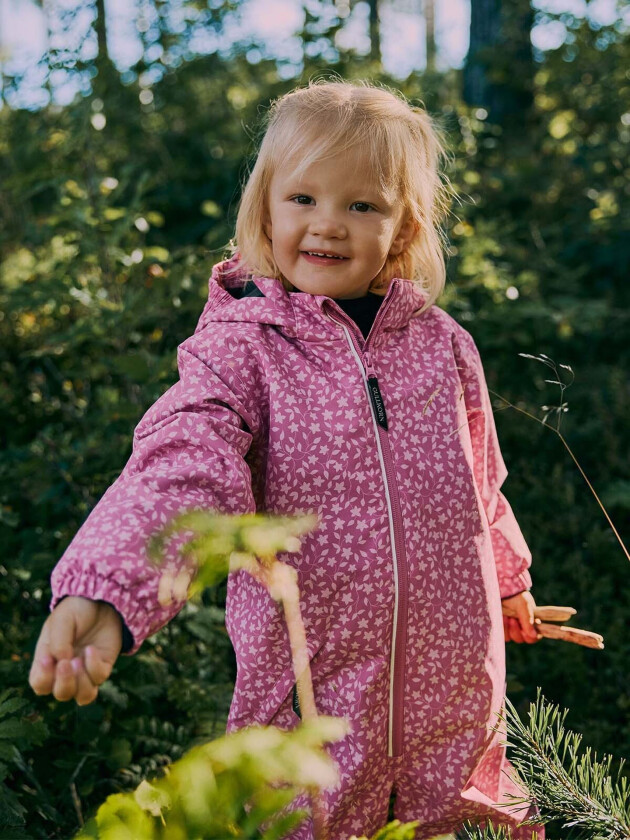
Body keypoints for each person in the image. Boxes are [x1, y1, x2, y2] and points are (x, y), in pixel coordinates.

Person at [29, 78, 543, 839]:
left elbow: (481, 484)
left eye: (361, 205)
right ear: (265, 208)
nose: (327, 224)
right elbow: (182, 464)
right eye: (303, 198)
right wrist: (108, 588)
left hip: (455, 700)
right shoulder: (242, 349)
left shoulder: (444, 346)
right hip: (309, 706)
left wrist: (507, 581)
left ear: (403, 227)